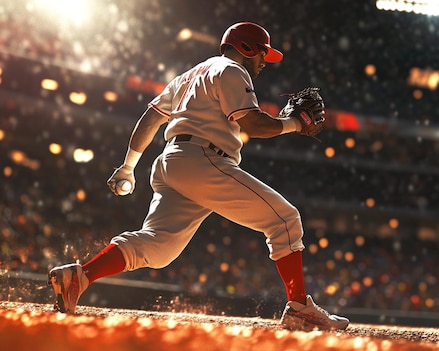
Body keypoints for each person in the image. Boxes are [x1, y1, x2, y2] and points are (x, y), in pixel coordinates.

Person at [48, 22, 349, 331]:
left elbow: (150, 118)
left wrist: (128, 166)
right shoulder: (232, 70)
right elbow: (255, 126)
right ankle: (299, 308)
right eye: (261, 53)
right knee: (285, 220)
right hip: (203, 160)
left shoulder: (188, 76)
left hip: (171, 162)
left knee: (158, 247)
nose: (263, 62)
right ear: (245, 48)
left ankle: (80, 276)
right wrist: (294, 124)